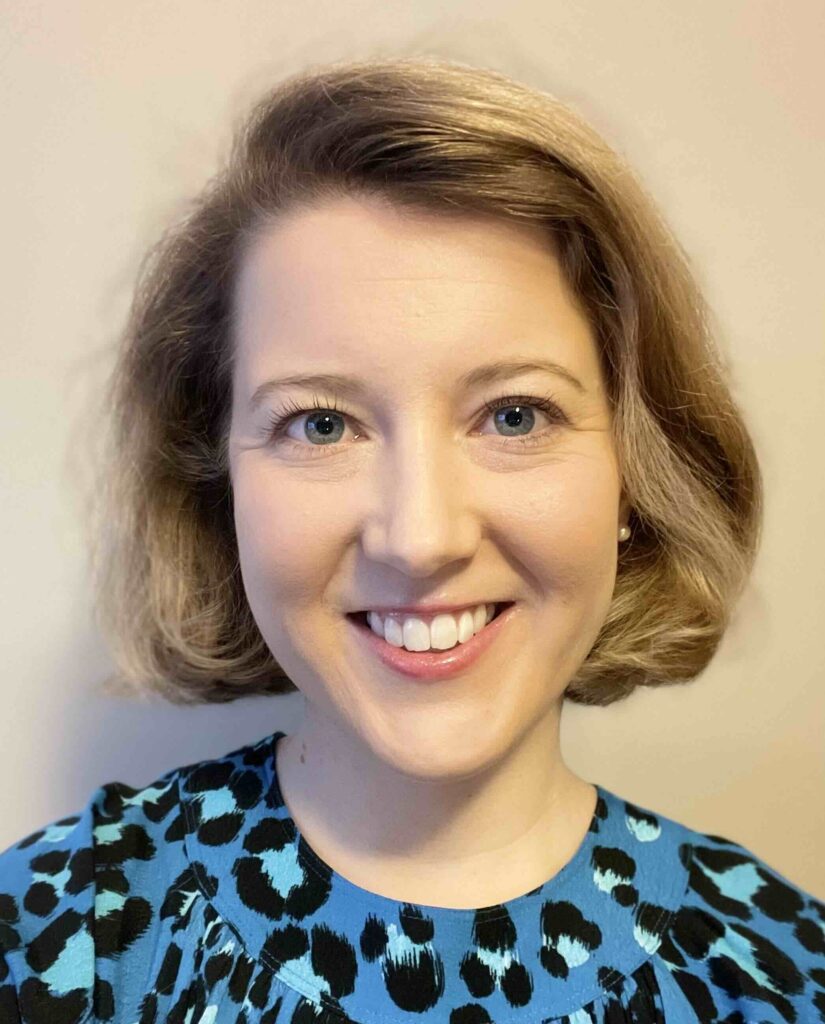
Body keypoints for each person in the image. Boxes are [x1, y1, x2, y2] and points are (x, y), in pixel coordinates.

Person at [1, 56, 821, 1024]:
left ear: (636, 469)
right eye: (320, 423)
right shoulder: (62, 937)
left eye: (515, 415)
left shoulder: (782, 975)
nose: (421, 536)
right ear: (217, 481)